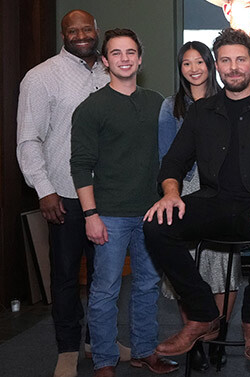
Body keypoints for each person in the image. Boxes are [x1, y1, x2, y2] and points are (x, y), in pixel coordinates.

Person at [143, 28, 250, 364]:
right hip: (214, 202)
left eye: (240, 60)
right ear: (217, 65)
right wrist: (171, 193)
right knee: (157, 225)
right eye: (226, 60)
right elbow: (173, 162)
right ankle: (202, 314)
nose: (233, 67)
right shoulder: (202, 111)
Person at [16, 9, 129, 377]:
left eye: (86, 29)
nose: (81, 35)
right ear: (63, 34)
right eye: (72, 30)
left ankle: (99, 342)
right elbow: (28, 139)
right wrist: (44, 189)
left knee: (106, 276)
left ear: (96, 30)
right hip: (63, 193)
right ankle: (67, 348)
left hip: (108, 193)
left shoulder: (110, 69)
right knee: (65, 276)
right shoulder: (41, 77)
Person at [70, 28, 177, 377]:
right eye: (116, 53)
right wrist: (90, 215)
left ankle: (144, 351)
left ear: (140, 59)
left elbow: (170, 156)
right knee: (105, 290)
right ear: (105, 61)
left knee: (147, 286)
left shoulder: (158, 103)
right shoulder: (91, 108)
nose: (124, 58)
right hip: (109, 215)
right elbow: (81, 166)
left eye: (130, 52)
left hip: (151, 212)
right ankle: (104, 360)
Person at [157, 41, 239, 371]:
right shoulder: (170, 107)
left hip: (221, 190)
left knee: (222, 267)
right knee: (186, 268)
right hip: (181, 191)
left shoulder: (228, 101)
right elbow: (168, 158)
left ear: (210, 64)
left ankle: (218, 332)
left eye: (199, 62)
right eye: (186, 63)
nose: (194, 69)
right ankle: (193, 335)